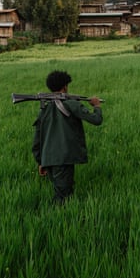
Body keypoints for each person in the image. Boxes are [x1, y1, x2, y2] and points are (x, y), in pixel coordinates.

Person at [32, 70, 103, 204]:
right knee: (63, 198)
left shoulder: (45, 109)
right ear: (65, 87)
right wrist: (97, 106)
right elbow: (96, 120)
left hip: (50, 160)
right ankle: (55, 220)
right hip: (63, 159)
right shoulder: (71, 104)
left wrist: (41, 161)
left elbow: (38, 138)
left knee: (63, 192)